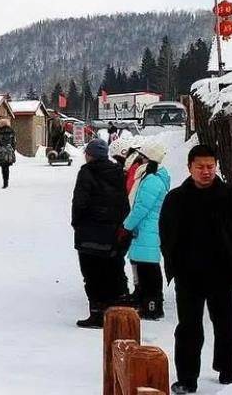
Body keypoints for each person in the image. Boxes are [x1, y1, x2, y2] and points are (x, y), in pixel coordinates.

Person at [159, 145, 232, 394]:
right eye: (200, 167)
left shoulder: (231, 196)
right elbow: (166, 232)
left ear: (216, 166)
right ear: (190, 167)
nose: (206, 172)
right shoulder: (177, 198)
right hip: (189, 275)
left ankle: (227, 370)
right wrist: (174, 261)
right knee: (188, 328)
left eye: (210, 167)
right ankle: (187, 378)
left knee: (226, 324)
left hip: (223, 273)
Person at [71, 138, 131, 328]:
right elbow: (124, 202)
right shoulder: (118, 173)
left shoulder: (86, 172)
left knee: (92, 274)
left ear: (90, 155)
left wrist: (77, 224)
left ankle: (97, 314)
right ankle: (118, 314)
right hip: (113, 231)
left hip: (89, 232)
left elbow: (79, 202)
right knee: (113, 271)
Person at [122, 141, 169, 320]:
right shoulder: (152, 177)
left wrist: (127, 225)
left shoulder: (151, 180)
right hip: (146, 229)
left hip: (147, 229)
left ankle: (152, 306)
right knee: (145, 268)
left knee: (148, 270)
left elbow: (141, 207)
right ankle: (147, 303)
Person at [0, 119, 16, 188]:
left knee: (3, 167)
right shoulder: (11, 131)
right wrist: (13, 149)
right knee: (7, 166)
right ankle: (7, 180)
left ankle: (4, 181)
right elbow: (14, 141)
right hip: (9, 150)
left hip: (2, 150)